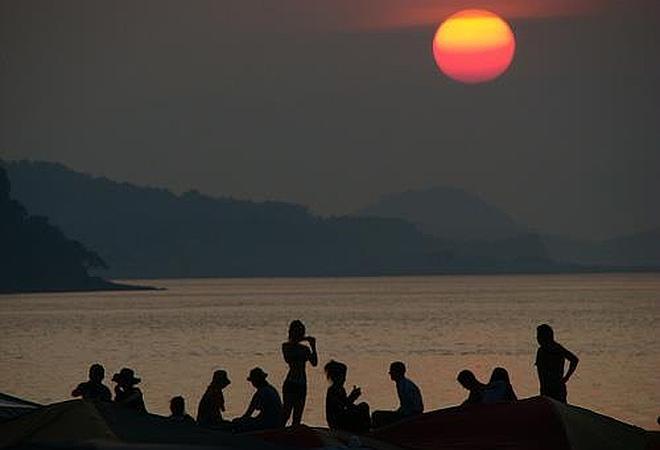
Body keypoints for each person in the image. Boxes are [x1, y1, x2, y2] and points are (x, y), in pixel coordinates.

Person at [281, 319, 318, 427]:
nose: (300, 334)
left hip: (302, 384)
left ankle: (293, 437)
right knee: (286, 413)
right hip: (291, 383)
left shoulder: (305, 349)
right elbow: (288, 359)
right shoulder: (286, 346)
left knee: (297, 416)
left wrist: (313, 346)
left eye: (301, 332)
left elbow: (314, 363)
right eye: (297, 332)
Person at [535, 324, 579, 403]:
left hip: (557, 389)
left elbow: (574, 360)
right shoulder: (541, 350)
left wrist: (566, 378)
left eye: (539, 336)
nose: (537, 339)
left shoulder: (557, 348)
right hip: (545, 389)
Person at [372, 361, 424, 428]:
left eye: (392, 371)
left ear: (398, 372)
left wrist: (402, 414)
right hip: (407, 414)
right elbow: (405, 405)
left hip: (410, 416)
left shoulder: (405, 386)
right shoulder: (401, 384)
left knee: (376, 415)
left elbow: (413, 405)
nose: (390, 373)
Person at [324, 360, 371, 433]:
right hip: (337, 422)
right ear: (335, 377)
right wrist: (352, 397)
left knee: (363, 406)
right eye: (342, 376)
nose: (344, 379)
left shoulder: (341, 389)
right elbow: (342, 407)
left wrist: (353, 397)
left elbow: (346, 405)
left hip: (341, 418)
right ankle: (366, 431)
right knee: (363, 407)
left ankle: (365, 429)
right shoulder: (333, 390)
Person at [233, 367, 283, 432]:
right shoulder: (272, 389)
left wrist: (238, 421)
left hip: (268, 424)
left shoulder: (261, 392)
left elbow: (248, 413)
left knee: (238, 423)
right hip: (277, 422)